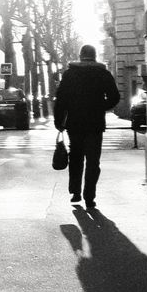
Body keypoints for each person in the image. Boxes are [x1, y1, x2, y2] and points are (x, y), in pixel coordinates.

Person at [53, 44, 120, 208]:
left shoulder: (70, 74)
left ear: (80, 55)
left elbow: (60, 99)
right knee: (93, 161)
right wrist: (100, 107)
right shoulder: (103, 73)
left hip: (74, 123)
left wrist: (59, 121)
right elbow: (114, 97)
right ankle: (89, 196)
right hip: (95, 123)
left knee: (76, 158)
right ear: (94, 56)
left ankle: (76, 192)